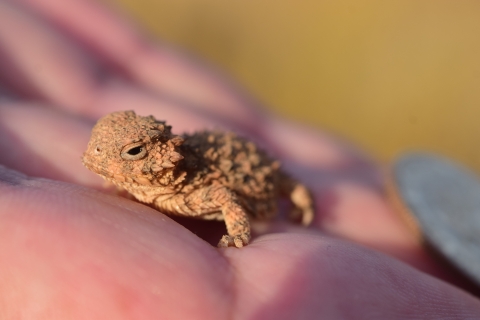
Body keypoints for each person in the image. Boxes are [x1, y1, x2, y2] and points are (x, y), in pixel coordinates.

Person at [0, 0, 479, 318]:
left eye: (129, 153)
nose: (97, 157)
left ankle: (296, 188)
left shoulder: (194, 186)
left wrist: (239, 231)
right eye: (100, 144)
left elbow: (228, 197)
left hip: (251, 170)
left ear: (163, 155)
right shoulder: (140, 169)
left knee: (281, 179)